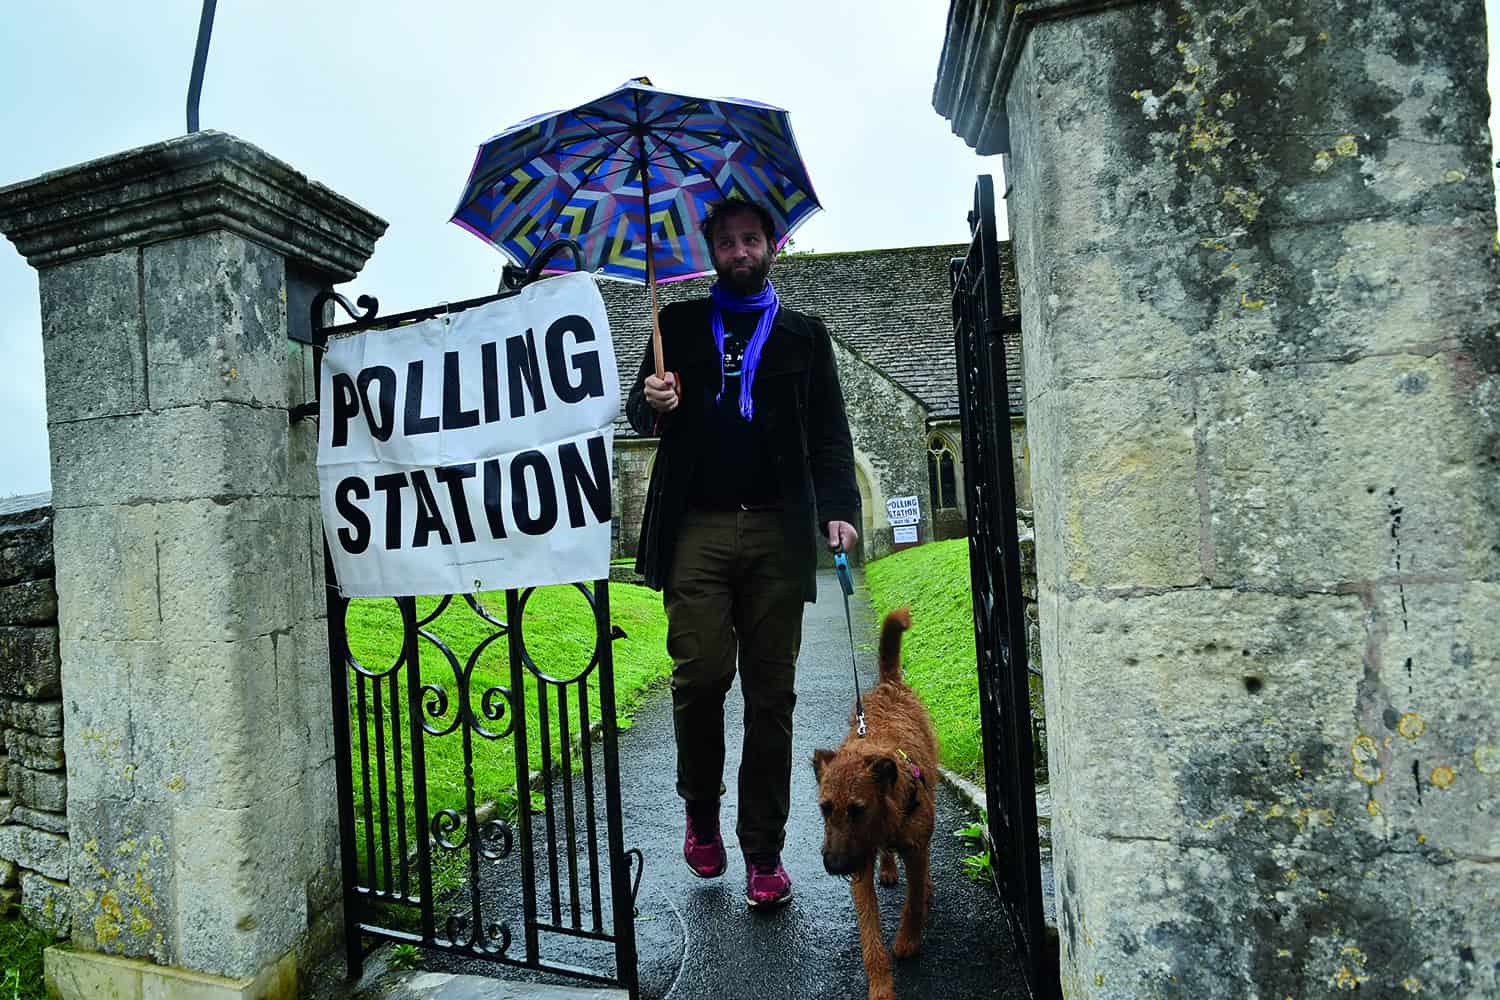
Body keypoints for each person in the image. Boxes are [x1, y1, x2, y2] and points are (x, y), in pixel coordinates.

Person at [626, 198, 860, 909]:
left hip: (777, 531)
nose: (738, 251)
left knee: (772, 696)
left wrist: (841, 510)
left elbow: (829, 431)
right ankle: (700, 807)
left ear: (771, 246)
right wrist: (654, 397)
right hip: (695, 525)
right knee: (699, 674)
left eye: (749, 239)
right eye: (725, 242)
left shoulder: (803, 335)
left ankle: (763, 850)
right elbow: (639, 415)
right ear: (711, 252)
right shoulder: (678, 325)